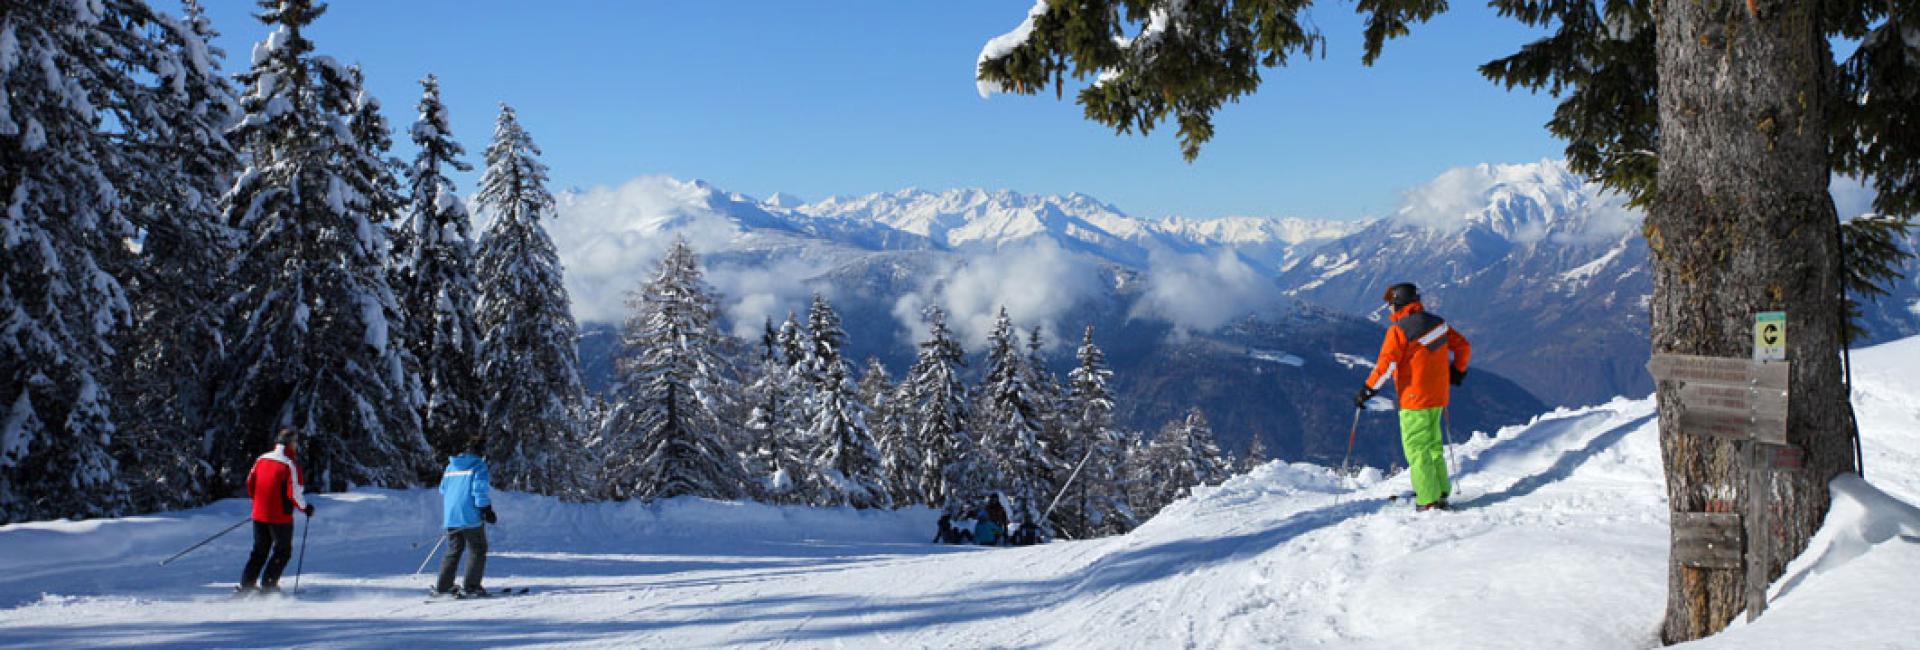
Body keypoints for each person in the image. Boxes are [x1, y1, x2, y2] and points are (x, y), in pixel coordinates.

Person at [1356, 283, 1471, 512]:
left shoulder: (1399, 331)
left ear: (1398, 303)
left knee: (1417, 449)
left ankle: (1427, 500)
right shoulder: (1438, 323)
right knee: (1433, 445)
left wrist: (1368, 390)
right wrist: (1457, 371)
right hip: (1438, 397)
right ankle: (1439, 491)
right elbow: (1463, 347)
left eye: (1390, 305)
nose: (1389, 309)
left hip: (1413, 399)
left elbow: (1386, 366)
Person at [238, 427, 312, 596]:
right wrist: (305, 508)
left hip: (259, 514)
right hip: (280, 517)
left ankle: (246, 585)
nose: (296, 445)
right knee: (282, 551)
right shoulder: (289, 464)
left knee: (259, 551)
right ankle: (268, 586)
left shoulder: (261, 458)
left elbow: (250, 483)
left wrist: (259, 503)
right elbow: (294, 492)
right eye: (295, 442)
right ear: (290, 444)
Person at [433, 435, 496, 598]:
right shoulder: (478, 466)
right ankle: (471, 586)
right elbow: (479, 490)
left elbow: (442, 489)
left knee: (454, 549)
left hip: (451, 516)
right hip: (469, 515)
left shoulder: (450, 466)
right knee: (478, 548)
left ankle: (443, 586)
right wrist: (487, 509)